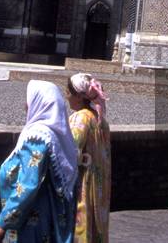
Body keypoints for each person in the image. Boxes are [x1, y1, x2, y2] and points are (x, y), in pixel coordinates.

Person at [0, 80, 78, 243]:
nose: (26, 105)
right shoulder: (57, 136)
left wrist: (2, 224)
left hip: (30, 221)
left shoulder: (38, 137)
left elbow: (28, 184)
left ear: (40, 103)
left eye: (30, 99)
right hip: (48, 216)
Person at [67, 73, 111, 243]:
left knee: (82, 226)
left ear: (79, 96)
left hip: (83, 184)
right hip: (99, 184)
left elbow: (70, 152)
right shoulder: (101, 120)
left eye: (68, 92)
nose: (67, 96)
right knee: (96, 226)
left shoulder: (80, 118)